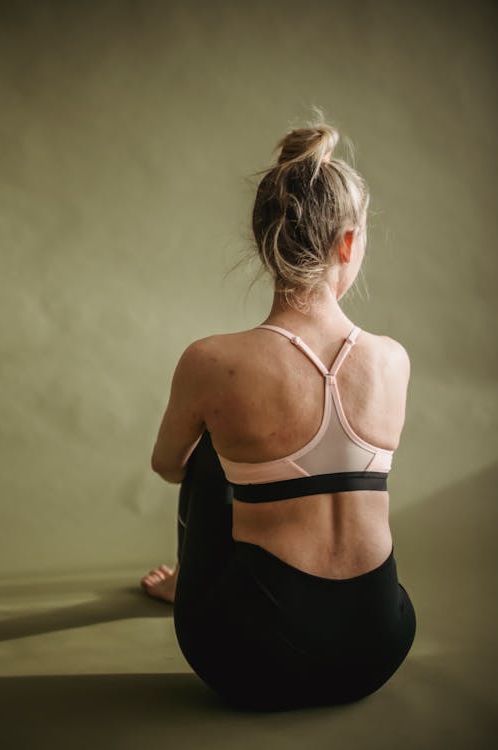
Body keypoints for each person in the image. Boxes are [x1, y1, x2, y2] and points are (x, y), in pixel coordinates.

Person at [141, 114, 417, 711]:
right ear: (349, 243)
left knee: (211, 448)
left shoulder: (213, 361)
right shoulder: (392, 361)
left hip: (249, 660)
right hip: (380, 647)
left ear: (263, 240)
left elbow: (168, 466)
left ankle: (192, 583)